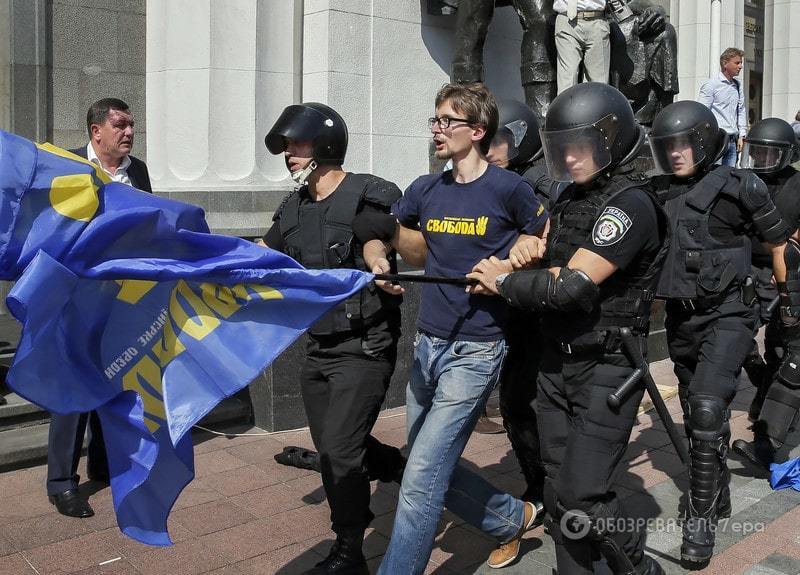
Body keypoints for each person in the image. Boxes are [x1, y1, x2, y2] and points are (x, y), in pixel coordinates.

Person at [470, 82, 667, 575]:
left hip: (608, 366)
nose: (573, 160)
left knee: (584, 493)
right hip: (556, 361)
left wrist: (508, 279)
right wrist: (530, 249)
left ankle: (640, 569)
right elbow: (553, 258)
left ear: (613, 141)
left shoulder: (630, 204)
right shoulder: (568, 200)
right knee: (559, 490)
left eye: (583, 147)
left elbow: (572, 287)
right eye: (564, 149)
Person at [354, 82, 549, 574]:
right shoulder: (425, 189)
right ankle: (510, 520)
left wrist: (510, 263)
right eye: (435, 120)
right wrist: (379, 260)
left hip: (478, 349)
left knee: (420, 476)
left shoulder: (509, 187)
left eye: (448, 121)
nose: (437, 130)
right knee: (423, 459)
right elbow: (385, 239)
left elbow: (543, 230)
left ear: (478, 131)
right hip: (428, 343)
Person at [262, 102, 406, 575]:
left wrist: (376, 259)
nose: (288, 154)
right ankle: (401, 468)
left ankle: (349, 551)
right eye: (285, 147)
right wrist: (194, 254)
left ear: (323, 146)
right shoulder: (293, 208)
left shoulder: (366, 193)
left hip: (364, 346)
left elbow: (376, 237)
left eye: (296, 145)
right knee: (334, 449)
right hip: (319, 347)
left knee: (341, 451)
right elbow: (263, 254)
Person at [648, 101, 791, 566]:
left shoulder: (740, 186)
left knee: (710, 405)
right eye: (668, 146)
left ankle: (701, 518)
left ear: (706, 142)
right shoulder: (654, 192)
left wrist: (785, 299)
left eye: (685, 145)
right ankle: (719, 491)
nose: (676, 155)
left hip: (731, 311)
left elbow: (777, 243)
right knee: (695, 413)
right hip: (681, 318)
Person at [47, 97, 152, 519]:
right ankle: (60, 483)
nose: (129, 132)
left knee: (112, 380)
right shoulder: (66, 166)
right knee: (72, 388)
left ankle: (103, 464)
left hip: (120, 297)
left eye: (131, 125)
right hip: (73, 297)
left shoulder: (138, 171)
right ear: (96, 132)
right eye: (121, 125)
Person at [484, 98, 560, 508]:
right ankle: (539, 481)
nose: (491, 150)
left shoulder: (542, 182)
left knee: (526, 401)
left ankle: (548, 485)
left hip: (540, 311)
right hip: (510, 307)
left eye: (500, 140)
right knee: (516, 401)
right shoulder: (494, 179)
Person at [731, 118, 800, 470]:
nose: (762, 158)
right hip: (747, 270)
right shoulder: (744, 181)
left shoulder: (798, 185)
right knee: (736, 337)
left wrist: (787, 271)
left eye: (769, 152)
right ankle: (763, 386)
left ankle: (767, 443)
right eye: (756, 151)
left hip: (790, 274)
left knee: (791, 355)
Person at [698, 47, 747, 167]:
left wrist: (742, 135)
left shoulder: (737, 85)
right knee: (715, 176)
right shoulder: (711, 85)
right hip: (716, 140)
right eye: (737, 63)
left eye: (741, 63)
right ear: (725, 63)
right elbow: (702, 113)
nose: (740, 66)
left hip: (733, 140)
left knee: (729, 177)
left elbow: (741, 111)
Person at [554, 0, 611, 93]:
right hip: (567, 20)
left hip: (597, 19)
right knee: (567, 81)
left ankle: (595, 107)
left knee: (599, 84)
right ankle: (567, 107)